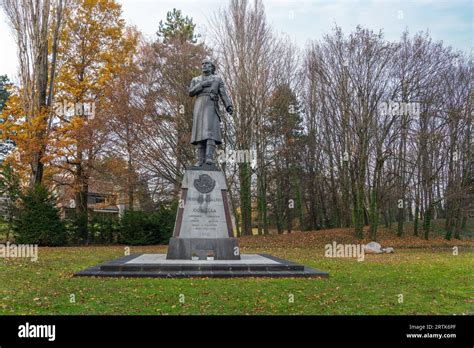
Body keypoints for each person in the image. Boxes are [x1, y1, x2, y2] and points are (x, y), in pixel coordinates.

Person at [188, 59, 233, 166]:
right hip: (199, 105)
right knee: (199, 133)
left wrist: (228, 105)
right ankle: (200, 159)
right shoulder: (196, 79)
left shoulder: (217, 79)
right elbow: (191, 92)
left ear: (212, 67)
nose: (204, 65)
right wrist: (203, 84)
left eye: (206, 64)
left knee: (210, 132)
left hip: (211, 105)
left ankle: (209, 158)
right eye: (202, 64)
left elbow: (223, 93)